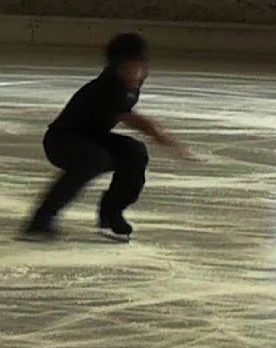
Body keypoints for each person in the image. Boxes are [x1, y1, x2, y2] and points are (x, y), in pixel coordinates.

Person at [21, 33, 193, 243]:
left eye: (137, 66)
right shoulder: (109, 87)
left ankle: (111, 214)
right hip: (62, 141)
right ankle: (40, 220)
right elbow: (136, 121)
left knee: (135, 152)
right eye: (124, 67)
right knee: (95, 160)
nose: (132, 73)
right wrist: (172, 144)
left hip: (93, 137)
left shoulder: (136, 79)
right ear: (114, 67)